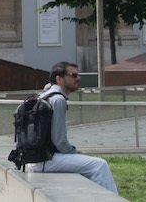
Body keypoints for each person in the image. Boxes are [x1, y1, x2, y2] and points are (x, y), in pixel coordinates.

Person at [29, 63, 116, 192]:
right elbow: (59, 141)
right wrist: (73, 152)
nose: (78, 78)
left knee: (88, 166)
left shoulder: (46, 94)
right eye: (73, 75)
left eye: (78, 74)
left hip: (36, 159)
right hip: (45, 160)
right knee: (99, 166)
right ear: (59, 79)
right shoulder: (58, 99)